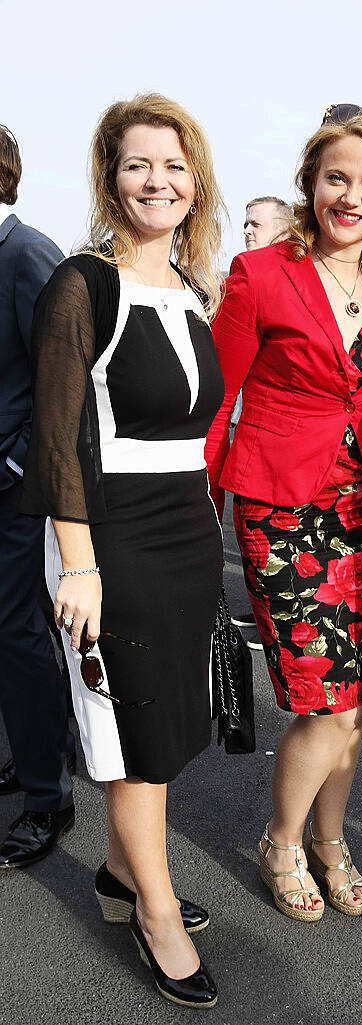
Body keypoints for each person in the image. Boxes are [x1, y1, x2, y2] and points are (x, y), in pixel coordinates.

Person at [22, 94, 225, 1008]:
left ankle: (115, 874)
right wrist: (83, 565)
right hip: (111, 539)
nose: (159, 180)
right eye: (139, 164)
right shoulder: (81, 283)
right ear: (110, 177)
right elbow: (57, 438)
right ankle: (156, 913)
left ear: (196, 182)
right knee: (135, 735)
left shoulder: (191, 287)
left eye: (175, 165)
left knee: (168, 721)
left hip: (187, 533)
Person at [206, 103, 362, 921]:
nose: (352, 197)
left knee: (357, 697)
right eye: (338, 177)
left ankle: (332, 841)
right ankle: (281, 838)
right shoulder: (259, 273)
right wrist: (202, 502)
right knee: (322, 701)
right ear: (310, 182)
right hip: (283, 509)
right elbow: (216, 396)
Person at [0, 124, 77, 869]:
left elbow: (65, 382)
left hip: (13, 493)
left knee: (18, 635)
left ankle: (48, 797)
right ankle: (28, 757)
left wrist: (22, 467)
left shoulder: (28, 254)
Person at [233, 195, 295, 636]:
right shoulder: (243, 277)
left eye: (256, 224)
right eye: (246, 225)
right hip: (258, 468)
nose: (248, 232)